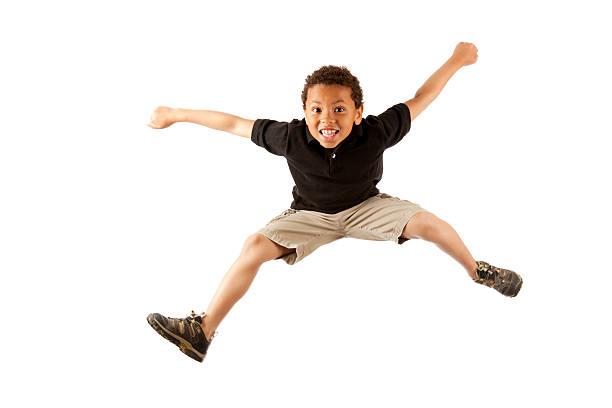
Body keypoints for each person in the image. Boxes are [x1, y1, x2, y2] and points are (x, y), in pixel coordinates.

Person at [146, 42, 522, 363]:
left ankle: (477, 271)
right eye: (317, 109)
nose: (328, 119)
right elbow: (232, 124)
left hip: (365, 206)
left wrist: (457, 59)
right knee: (253, 247)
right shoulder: (289, 137)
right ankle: (202, 331)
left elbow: (421, 98)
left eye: (340, 109)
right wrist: (177, 115)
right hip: (309, 214)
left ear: (358, 113)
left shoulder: (376, 131)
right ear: (305, 112)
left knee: (429, 223)